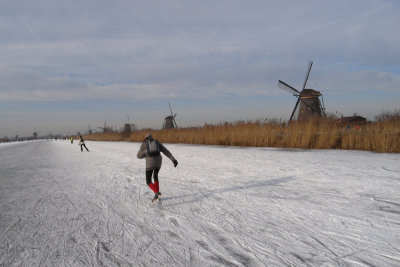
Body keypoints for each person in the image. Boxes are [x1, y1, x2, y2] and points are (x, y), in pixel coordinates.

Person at [137, 133, 178, 203]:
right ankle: (157, 195)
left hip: (150, 163)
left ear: (145, 138)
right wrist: (173, 160)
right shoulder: (157, 143)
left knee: (148, 181)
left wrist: (146, 153)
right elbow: (166, 152)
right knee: (155, 176)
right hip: (159, 162)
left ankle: (156, 193)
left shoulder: (144, 144)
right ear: (152, 137)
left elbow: (139, 156)